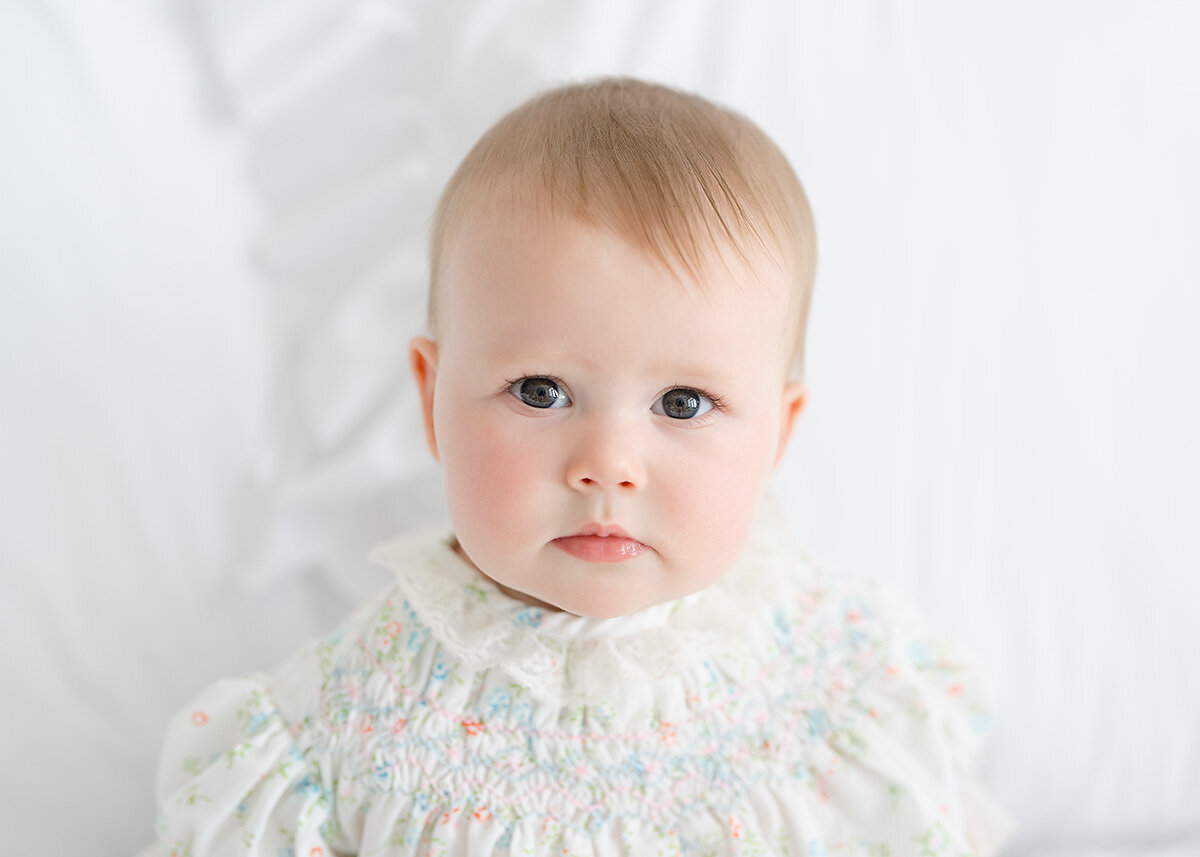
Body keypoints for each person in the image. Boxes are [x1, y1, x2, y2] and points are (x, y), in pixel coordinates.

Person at [139, 77, 1013, 856]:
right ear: (432, 395)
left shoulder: (844, 683)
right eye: (541, 390)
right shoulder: (341, 727)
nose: (606, 465)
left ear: (777, 436)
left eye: (682, 404)